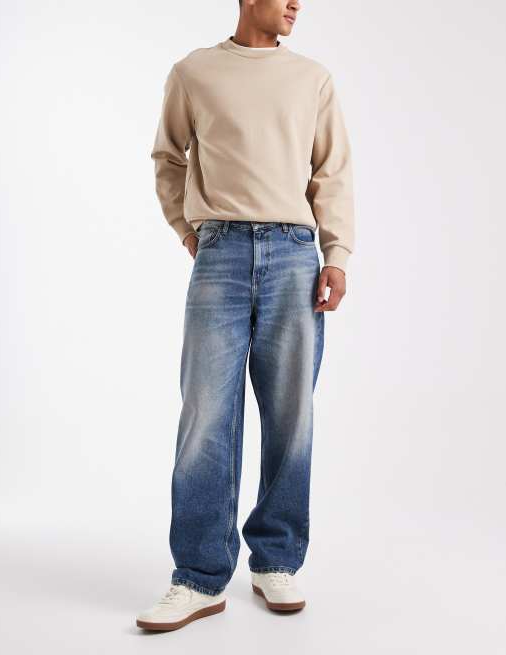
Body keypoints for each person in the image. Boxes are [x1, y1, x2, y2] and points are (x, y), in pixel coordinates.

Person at [136, 0, 355, 632]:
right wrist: (187, 229)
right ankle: (198, 576)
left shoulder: (312, 78)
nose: (296, 4)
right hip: (221, 252)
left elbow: (332, 171)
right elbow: (167, 158)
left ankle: (275, 561)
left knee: (291, 413)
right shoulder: (194, 72)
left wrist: (337, 255)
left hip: (294, 255)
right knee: (206, 414)